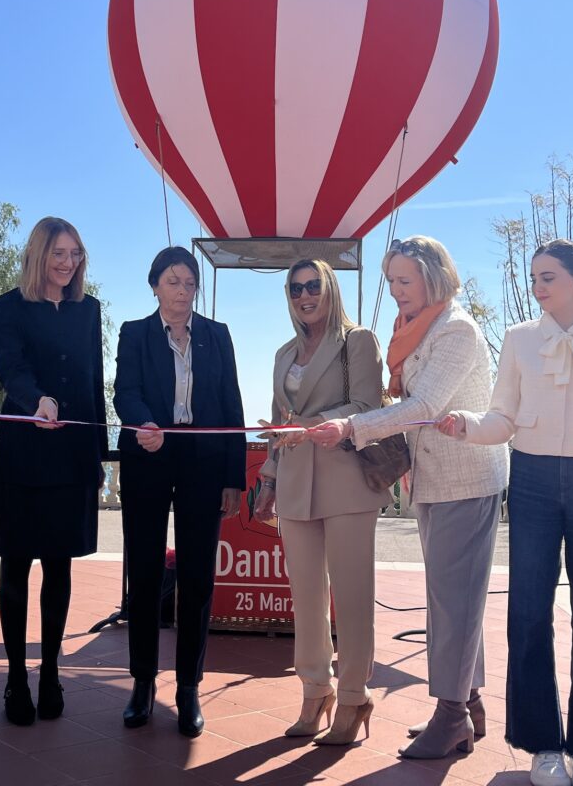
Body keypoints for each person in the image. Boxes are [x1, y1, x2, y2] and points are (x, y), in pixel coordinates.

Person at [436, 239, 573, 786]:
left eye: (548, 277)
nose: (538, 287)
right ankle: (542, 746)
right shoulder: (519, 339)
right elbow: (502, 417)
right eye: (534, 278)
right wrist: (466, 424)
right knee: (528, 613)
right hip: (530, 482)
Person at [310, 236, 508, 759]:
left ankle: (452, 715)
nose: (396, 290)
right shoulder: (416, 329)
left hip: (466, 480)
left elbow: (424, 406)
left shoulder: (456, 329)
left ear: (433, 277)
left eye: (405, 280)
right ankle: (468, 706)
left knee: (454, 601)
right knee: (451, 598)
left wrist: (351, 426)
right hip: (434, 480)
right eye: (391, 280)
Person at [113, 246, 246, 737]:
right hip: (148, 456)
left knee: (197, 576)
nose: (183, 291)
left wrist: (234, 476)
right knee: (146, 573)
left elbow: (231, 403)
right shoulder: (134, 333)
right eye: (173, 281)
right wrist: (142, 422)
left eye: (190, 282)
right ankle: (142, 683)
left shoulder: (217, 334)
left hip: (203, 463)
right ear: (155, 286)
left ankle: (189, 686)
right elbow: (124, 391)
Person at [253, 259, 385, 746]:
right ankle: (314, 691)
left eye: (314, 286)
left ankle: (353, 696)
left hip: (345, 480)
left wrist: (310, 426)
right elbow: (278, 421)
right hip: (293, 483)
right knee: (305, 598)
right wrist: (269, 478)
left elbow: (368, 408)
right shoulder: (283, 353)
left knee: (351, 597)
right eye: (295, 289)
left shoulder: (358, 341)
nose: (305, 295)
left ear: (330, 289)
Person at [0, 217, 108, 726]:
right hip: (21, 454)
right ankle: (16, 677)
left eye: (75, 254)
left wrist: (98, 455)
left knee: (60, 568)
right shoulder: (6, 307)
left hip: (73, 456)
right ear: (38, 255)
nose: (68, 263)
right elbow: (10, 368)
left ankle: (52, 672)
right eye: (59, 253)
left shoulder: (88, 310)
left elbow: (94, 381)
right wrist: (35, 400)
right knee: (15, 568)